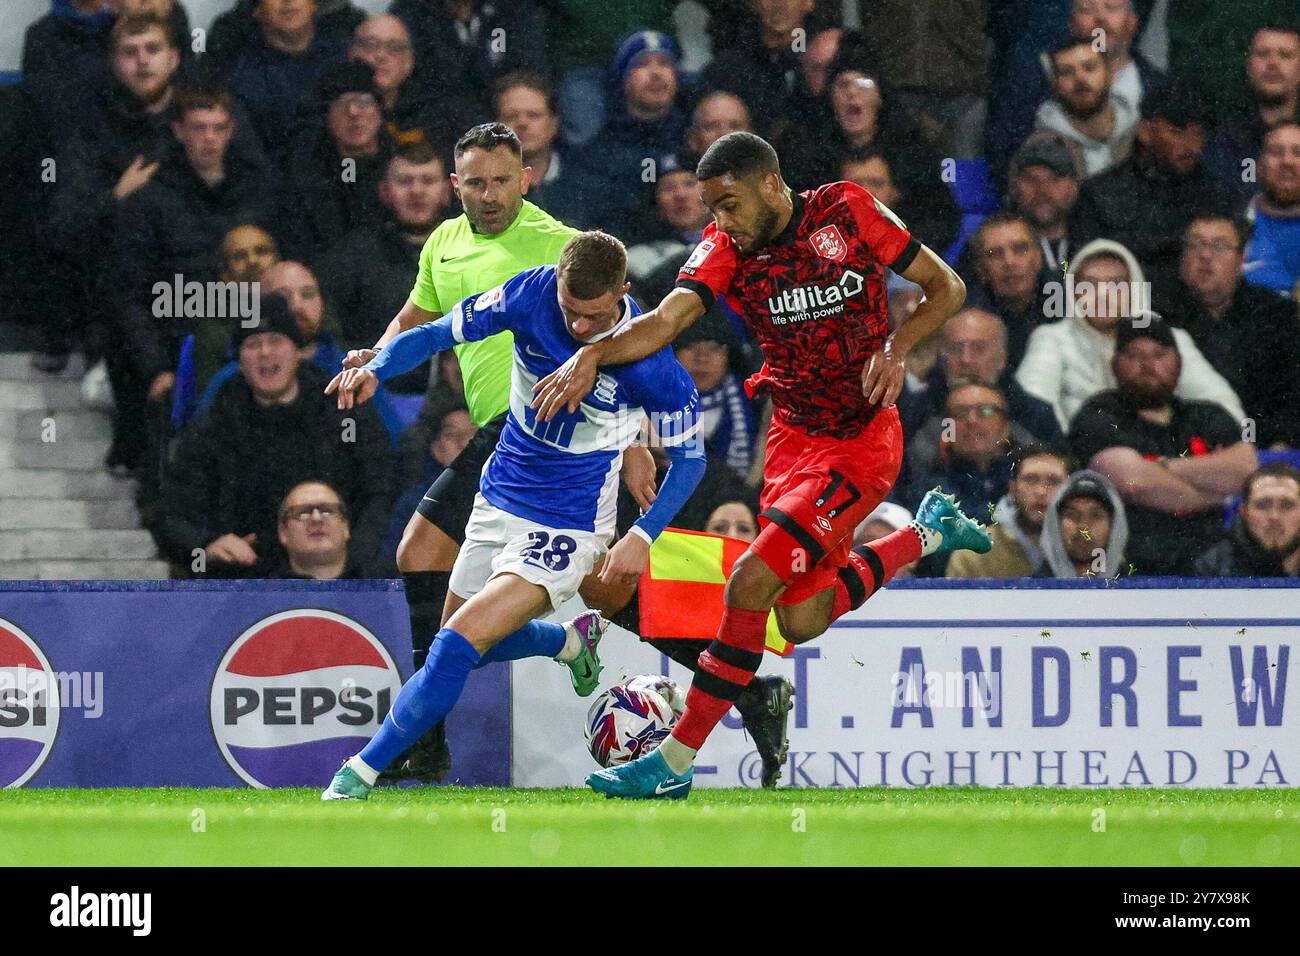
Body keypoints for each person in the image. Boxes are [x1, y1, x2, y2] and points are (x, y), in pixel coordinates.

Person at [529, 132, 992, 799]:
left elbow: (944, 286)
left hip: (861, 443)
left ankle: (673, 763)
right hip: (794, 442)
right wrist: (595, 354)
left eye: (728, 203)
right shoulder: (725, 251)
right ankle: (927, 534)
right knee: (798, 620)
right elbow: (664, 321)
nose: (719, 221)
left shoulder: (847, 210)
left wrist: (897, 346)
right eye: (710, 209)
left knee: (749, 583)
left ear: (770, 183)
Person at [321, 232, 708, 801]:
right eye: (572, 312)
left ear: (623, 293)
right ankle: (566, 643)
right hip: (497, 497)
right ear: (556, 282)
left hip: (569, 524)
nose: (580, 327)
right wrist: (379, 365)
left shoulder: (652, 364)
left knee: (453, 644)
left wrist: (644, 535)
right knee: (454, 650)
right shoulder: (529, 295)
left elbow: (693, 461)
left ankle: (358, 772)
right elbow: (433, 332)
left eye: (596, 316)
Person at [155, 294, 395, 577]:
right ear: (239, 361)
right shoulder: (215, 422)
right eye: (253, 345)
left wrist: (355, 557)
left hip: (340, 572)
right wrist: (205, 546)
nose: (265, 353)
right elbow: (173, 509)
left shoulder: (343, 409)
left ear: (298, 352)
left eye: (276, 341)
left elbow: (381, 487)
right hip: (246, 577)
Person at [1068, 316, 1259, 575]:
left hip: (1211, 560)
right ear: (1115, 364)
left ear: (1179, 363)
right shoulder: (1099, 413)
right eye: (1134, 355)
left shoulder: (1206, 414)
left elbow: (1246, 469)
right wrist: (1214, 494)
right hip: (1129, 563)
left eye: (1159, 355)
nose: (1147, 365)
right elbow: (1134, 482)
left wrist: (1159, 466)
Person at [1016, 238, 1245, 433]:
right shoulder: (1052, 339)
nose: (1103, 295)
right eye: (1090, 285)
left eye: (1116, 284)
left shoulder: (1169, 338)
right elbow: (1032, 410)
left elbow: (1225, 408)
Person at [1070, 80, 1236, 300]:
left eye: (1198, 134)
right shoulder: (1100, 193)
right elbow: (1073, 268)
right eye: (1177, 132)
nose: (1192, 146)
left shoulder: (1217, 194)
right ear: (1145, 131)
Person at [319, 140, 451, 393]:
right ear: (384, 191)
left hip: (458, 398)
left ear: (448, 190)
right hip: (374, 393)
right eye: (404, 181)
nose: (416, 191)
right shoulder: (353, 256)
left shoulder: (471, 248)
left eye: (427, 180)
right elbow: (330, 329)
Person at [1162, 214, 1300, 449]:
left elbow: (1291, 394)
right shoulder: (1159, 313)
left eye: (1219, 246)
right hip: (1180, 444)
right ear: (1182, 256)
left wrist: (1279, 444)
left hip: (1265, 445)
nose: (1205, 255)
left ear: (1241, 258)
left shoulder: (1276, 313)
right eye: (1196, 244)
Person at [278, 60, 391, 264]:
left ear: (380, 111)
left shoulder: (400, 165)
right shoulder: (306, 175)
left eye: (364, 102)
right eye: (341, 103)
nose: (353, 113)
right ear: (327, 116)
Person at [216, 0, 350, 156]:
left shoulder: (345, 59)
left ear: (314, 4)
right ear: (256, 10)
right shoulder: (238, 78)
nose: (288, 1)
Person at [1203, 23, 1300, 204]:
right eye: (1263, 54)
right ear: (1248, 66)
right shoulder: (1224, 141)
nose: (1273, 63)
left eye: (1285, 55)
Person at [947, 444, 1071, 578]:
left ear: (1070, 490)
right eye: (1030, 480)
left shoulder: (1084, 548)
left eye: (1053, 481)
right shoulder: (973, 555)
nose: (1041, 491)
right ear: (1012, 489)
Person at [962, 212, 1060, 368]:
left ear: (1038, 258)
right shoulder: (968, 316)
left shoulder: (1065, 299)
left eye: (1020, 249)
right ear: (981, 269)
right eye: (995, 254)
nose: (1009, 262)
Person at [1033, 34, 1138, 178]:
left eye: (1089, 67)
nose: (1080, 79)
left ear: (1111, 75)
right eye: (1067, 72)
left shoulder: (1139, 131)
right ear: (1056, 86)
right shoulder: (1039, 148)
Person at [672, 313, 756, 480]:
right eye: (690, 346)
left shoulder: (756, 402)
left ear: (728, 355)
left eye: (714, 348)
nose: (702, 358)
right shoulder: (650, 402)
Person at [1194, 463, 1300, 577]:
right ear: (1244, 512)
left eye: (1287, 505)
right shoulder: (1213, 567)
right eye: (1262, 505)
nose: (1274, 516)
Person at [1004, 134, 1083, 271]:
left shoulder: (1100, 243)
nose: (1042, 190)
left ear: (1074, 187)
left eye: (1054, 179)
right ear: (1014, 187)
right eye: (1030, 179)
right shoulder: (999, 247)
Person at [1037, 469, 1129, 579]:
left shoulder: (1141, 590)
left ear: (1114, 526)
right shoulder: (1030, 592)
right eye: (1072, 515)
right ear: (1055, 524)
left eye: (1096, 515)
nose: (1084, 527)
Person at [1243, 122, 1300, 296]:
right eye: (1276, 152)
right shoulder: (1232, 225)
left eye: (1298, 153)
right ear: (1259, 166)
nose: (1287, 161)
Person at [272, 480, 368, 579]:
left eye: (327, 512)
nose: (316, 518)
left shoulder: (383, 587)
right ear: (283, 533)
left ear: (346, 528)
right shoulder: (259, 592)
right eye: (303, 513)